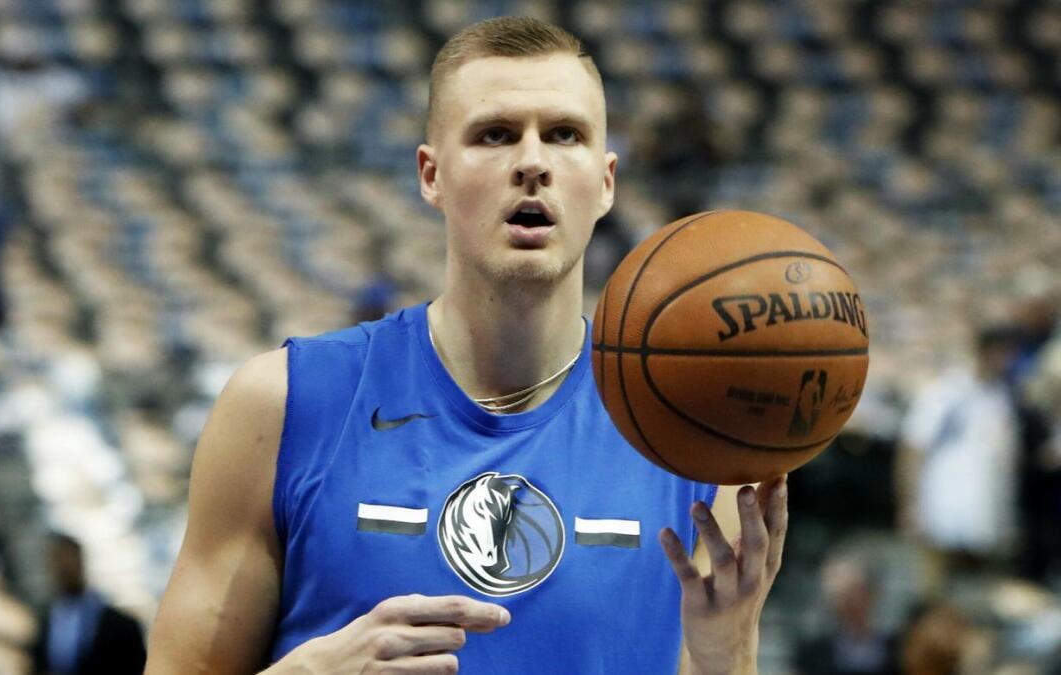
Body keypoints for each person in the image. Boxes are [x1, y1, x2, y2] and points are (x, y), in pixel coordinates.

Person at [146, 17, 788, 675]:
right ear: (432, 175)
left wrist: (728, 654)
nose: (533, 161)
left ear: (605, 181)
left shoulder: (694, 439)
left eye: (565, 135)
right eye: (495, 134)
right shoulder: (281, 404)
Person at [896, 324, 1023, 587]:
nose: (1006, 361)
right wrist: (909, 504)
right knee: (932, 592)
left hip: (982, 518)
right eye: (1002, 353)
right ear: (984, 351)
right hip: (941, 510)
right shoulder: (947, 391)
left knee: (977, 597)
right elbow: (914, 445)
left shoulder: (1001, 397)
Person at [31, 533, 147, 675]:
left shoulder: (120, 625)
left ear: (80, 561)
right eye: (58, 561)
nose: (64, 568)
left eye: (69, 559)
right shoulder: (44, 622)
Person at [792, 553, 899, 675]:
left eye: (854, 592)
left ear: (872, 593)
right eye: (839, 595)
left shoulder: (899, 648)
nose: (848, 603)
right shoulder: (812, 652)